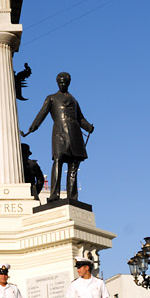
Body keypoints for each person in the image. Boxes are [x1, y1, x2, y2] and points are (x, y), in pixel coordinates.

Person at [22, 72, 94, 202]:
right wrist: (33, 127)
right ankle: (54, 194)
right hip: (59, 133)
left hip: (75, 134)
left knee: (73, 166)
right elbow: (41, 114)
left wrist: (88, 127)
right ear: (57, 83)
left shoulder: (74, 100)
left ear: (68, 83)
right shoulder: (51, 98)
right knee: (58, 160)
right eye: (60, 82)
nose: (62, 84)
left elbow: (80, 118)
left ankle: (72, 196)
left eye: (64, 82)